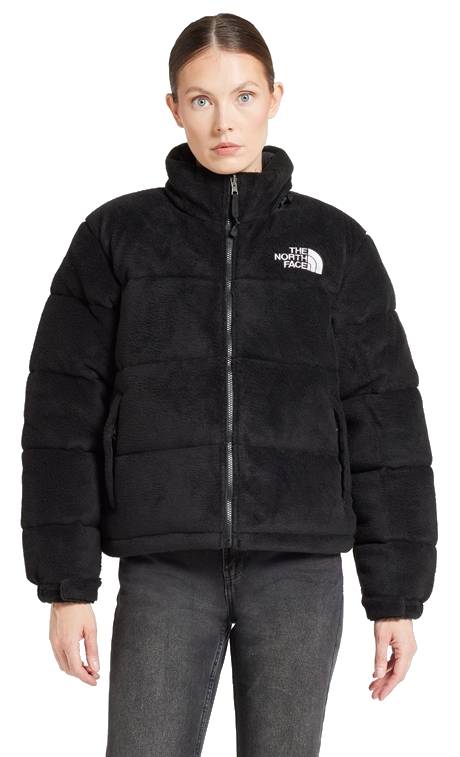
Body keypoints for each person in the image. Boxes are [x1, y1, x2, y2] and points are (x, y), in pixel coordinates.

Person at [20, 12, 438, 757]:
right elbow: (61, 417)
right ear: (173, 107)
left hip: (299, 570)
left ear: (275, 97)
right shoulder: (116, 238)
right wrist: (66, 584)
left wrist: (396, 596)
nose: (224, 122)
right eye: (202, 99)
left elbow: (386, 422)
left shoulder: (335, 244)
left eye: (244, 96)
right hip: (163, 565)